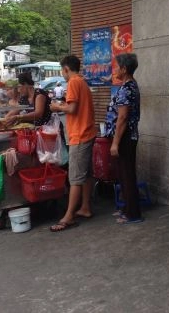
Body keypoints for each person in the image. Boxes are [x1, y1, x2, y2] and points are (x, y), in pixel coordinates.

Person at [49, 55, 96, 232]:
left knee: (75, 177)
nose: (63, 74)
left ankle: (68, 216)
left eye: (62, 71)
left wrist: (56, 107)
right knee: (85, 174)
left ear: (67, 69)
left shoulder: (74, 83)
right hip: (87, 133)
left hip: (80, 134)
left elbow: (72, 109)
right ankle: (85, 207)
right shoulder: (82, 82)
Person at [105, 53, 142, 224]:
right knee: (123, 174)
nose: (115, 70)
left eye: (117, 66)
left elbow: (122, 118)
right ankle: (127, 208)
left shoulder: (128, 88)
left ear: (125, 69)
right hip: (125, 136)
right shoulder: (128, 85)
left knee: (127, 175)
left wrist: (115, 143)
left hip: (125, 137)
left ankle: (132, 213)